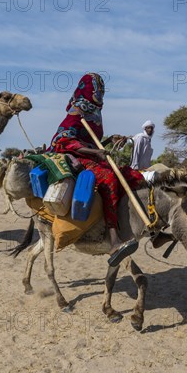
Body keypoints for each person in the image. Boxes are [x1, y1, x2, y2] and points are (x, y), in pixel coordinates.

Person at [49, 73, 144, 267]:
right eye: (96, 88)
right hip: (77, 156)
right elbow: (63, 140)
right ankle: (113, 238)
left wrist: (109, 140)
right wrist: (94, 152)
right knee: (109, 179)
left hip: (92, 154)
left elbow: (93, 140)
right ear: (87, 89)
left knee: (132, 175)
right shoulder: (77, 110)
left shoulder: (95, 112)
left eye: (101, 89)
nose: (99, 92)